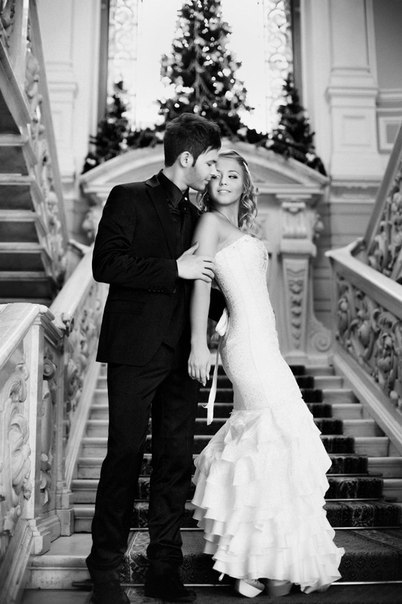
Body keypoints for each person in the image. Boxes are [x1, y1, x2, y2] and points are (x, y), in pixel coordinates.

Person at [188, 150, 344, 598]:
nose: (223, 180)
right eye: (217, 174)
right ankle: (259, 559)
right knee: (270, 433)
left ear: (245, 187)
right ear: (207, 183)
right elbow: (201, 282)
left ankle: (270, 560)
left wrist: (215, 328)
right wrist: (199, 343)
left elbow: (245, 294)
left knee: (279, 437)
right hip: (247, 349)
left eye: (233, 175)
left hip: (265, 345)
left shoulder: (241, 232)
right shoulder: (209, 223)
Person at [86, 113, 221, 604]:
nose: (213, 172)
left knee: (175, 463)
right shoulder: (127, 196)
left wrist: (216, 319)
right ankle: (104, 567)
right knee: (123, 456)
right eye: (210, 162)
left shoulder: (203, 216)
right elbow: (106, 264)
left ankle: (165, 568)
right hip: (134, 350)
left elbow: (206, 283)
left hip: (183, 355)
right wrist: (173, 268)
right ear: (186, 158)